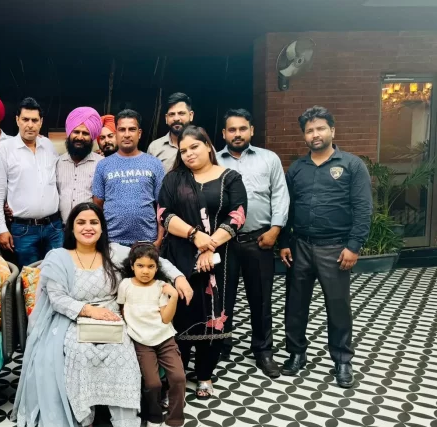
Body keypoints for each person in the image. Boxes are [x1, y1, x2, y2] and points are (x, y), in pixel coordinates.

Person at [12, 202, 193, 427]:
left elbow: (156, 260)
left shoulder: (115, 252)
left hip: (114, 316)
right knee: (80, 352)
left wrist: (178, 278)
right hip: (73, 317)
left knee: (122, 355)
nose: (88, 227)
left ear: (102, 227)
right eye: (81, 222)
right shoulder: (58, 257)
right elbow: (57, 298)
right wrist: (89, 311)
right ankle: (83, 418)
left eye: (94, 222)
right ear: (71, 228)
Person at [279, 106, 372, 388]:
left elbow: (363, 208)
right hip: (300, 246)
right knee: (295, 305)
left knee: (338, 306)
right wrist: (284, 242)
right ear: (304, 136)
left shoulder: (352, 165)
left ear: (332, 130)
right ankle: (296, 353)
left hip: (336, 248)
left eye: (320, 128)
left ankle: (342, 360)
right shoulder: (297, 169)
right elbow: (287, 208)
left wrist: (354, 246)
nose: (315, 134)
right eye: (309, 130)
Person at [158, 125, 247, 400]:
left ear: (208, 145)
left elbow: (238, 215)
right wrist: (195, 236)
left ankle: (205, 374)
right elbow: (164, 214)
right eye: (183, 150)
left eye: (194, 147)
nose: (188, 154)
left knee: (215, 312)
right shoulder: (173, 179)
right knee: (182, 310)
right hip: (180, 257)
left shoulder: (230, 178)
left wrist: (210, 246)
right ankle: (178, 373)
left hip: (221, 259)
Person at [216, 108, 290, 376]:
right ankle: (220, 345)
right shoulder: (213, 161)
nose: (237, 134)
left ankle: (263, 350)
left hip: (259, 240)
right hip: (224, 243)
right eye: (232, 130)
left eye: (242, 129)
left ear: (252, 130)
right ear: (224, 133)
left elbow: (280, 195)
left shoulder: (269, 159)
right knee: (221, 298)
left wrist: (275, 230)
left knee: (260, 299)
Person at [117, 243, 185, 427]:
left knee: (178, 377)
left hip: (164, 339)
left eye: (150, 266)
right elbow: (122, 310)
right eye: (140, 265)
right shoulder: (125, 285)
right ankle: (154, 417)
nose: (145, 271)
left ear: (157, 267)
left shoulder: (160, 287)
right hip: (141, 342)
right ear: (132, 266)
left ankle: (174, 422)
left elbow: (166, 319)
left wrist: (173, 296)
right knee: (152, 383)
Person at [0, 97, 62, 268]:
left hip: (54, 227)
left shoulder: (48, 146)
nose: (30, 125)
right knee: (29, 278)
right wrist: (1, 229)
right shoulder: (4, 149)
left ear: (41, 122)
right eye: (25, 119)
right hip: (24, 230)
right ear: (17, 120)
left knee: (57, 272)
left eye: (34, 120)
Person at [92, 109, 165, 247]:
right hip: (112, 242)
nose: (126, 134)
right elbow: (97, 205)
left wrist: (159, 240)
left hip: (147, 242)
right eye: (122, 130)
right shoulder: (103, 165)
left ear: (139, 133)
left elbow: (162, 205)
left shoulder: (154, 164)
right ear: (116, 133)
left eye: (132, 129)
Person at [56, 107, 104, 223]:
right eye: (76, 132)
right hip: (60, 228)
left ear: (92, 137)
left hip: (89, 228)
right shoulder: (58, 162)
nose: (80, 137)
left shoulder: (101, 163)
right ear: (69, 133)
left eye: (85, 133)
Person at [147, 92, 194, 173]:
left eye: (181, 113)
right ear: (166, 118)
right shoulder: (155, 148)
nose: (176, 118)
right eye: (172, 114)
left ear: (191, 115)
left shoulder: (203, 145)